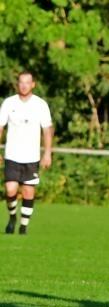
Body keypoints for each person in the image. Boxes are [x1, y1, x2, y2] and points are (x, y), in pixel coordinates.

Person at [0, 71, 53, 235]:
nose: (24, 85)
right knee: (10, 189)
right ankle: (12, 217)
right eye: (21, 82)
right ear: (18, 84)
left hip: (31, 156)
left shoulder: (40, 104)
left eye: (27, 82)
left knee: (28, 191)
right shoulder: (9, 103)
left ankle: (23, 227)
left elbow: (47, 129)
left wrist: (47, 153)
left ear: (33, 84)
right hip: (12, 155)